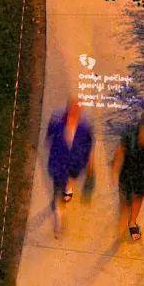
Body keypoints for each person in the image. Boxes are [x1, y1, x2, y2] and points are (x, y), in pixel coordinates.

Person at [112, 109, 144, 241]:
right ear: (140, 126)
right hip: (127, 174)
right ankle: (123, 223)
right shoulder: (130, 136)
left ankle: (132, 222)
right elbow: (119, 152)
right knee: (124, 201)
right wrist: (115, 171)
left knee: (137, 199)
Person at [46, 98, 95, 236]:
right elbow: (49, 138)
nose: (76, 113)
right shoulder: (57, 123)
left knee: (72, 177)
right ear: (68, 109)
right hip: (59, 166)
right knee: (58, 191)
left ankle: (69, 187)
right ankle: (59, 216)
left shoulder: (84, 128)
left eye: (78, 110)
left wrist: (89, 164)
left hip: (75, 163)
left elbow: (88, 145)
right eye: (74, 109)